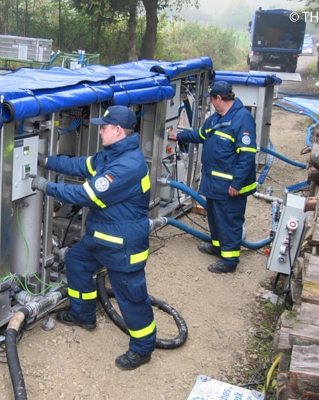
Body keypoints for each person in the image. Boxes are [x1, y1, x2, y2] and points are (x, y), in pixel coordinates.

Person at [30, 105, 156, 371]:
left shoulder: (127, 166)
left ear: (118, 131)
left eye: (105, 127)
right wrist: (46, 161)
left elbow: (85, 195)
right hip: (102, 237)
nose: (100, 131)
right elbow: (81, 165)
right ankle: (83, 315)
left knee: (131, 297)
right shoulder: (110, 155)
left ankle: (143, 348)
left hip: (122, 244)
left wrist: (46, 186)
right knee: (76, 261)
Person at [168, 81, 257, 274]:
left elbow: (247, 155)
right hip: (214, 183)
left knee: (229, 220)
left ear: (219, 98)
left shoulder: (242, 119)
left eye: (212, 100)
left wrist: (237, 183)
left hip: (230, 186)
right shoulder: (217, 119)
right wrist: (179, 137)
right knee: (215, 218)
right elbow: (201, 135)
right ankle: (218, 246)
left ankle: (230, 260)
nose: (211, 104)